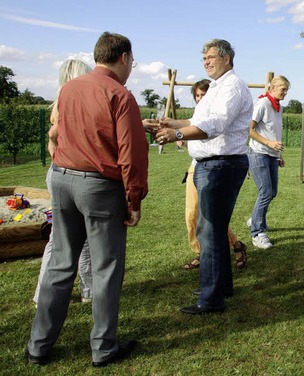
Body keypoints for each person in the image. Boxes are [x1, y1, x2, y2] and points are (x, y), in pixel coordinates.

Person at [26, 32, 148, 367]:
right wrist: (134, 199)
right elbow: (132, 154)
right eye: (132, 61)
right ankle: (103, 347)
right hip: (99, 188)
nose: (132, 67)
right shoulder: (120, 95)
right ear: (123, 57)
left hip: (62, 180)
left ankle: (38, 345)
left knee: (60, 263)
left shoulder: (69, 89)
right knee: (106, 268)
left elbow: (59, 134)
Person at [154, 39, 252, 315]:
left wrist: (179, 134)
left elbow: (216, 125)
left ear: (227, 58)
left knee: (208, 233)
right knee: (215, 231)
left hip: (221, 165)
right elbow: (198, 120)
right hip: (213, 164)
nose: (206, 61)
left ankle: (210, 300)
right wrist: (170, 124)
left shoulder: (232, 86)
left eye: (210, 57)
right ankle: (221, 288)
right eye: (204, 58)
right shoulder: (216, 88)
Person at [34, 59, 93, 306]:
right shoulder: (71, 103)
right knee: (73, 237)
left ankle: (48, 293)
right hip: (70, 175)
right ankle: (87, 291)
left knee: (63, 237)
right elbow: (53, 135)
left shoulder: (60, 101)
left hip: (59, 172)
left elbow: (53, 142)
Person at [179, 79, 247, 270]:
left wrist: (178, 134)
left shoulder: (219, 111)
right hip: (196, 166)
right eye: (198, 96)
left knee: (211, 218)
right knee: (192, 214)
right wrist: (177, 132)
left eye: (204, 95)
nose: (200, 99)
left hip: (214, 166)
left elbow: (212, 129)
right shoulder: (198, 112)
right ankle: (203, 251)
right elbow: (190, 126)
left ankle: (233, 247)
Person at [247, 75, 290, 249]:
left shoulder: (278, 107)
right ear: (273, 88)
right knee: (265, 192)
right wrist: (269, 143)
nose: (285, 93)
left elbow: (274, 133)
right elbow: (249, 129)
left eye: (287, 90)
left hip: (272, 155)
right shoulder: (262, 104)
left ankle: (255, 219)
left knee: (272, 192)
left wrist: (278, 154)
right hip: (258, 153)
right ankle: (257, 232)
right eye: (283, 89)